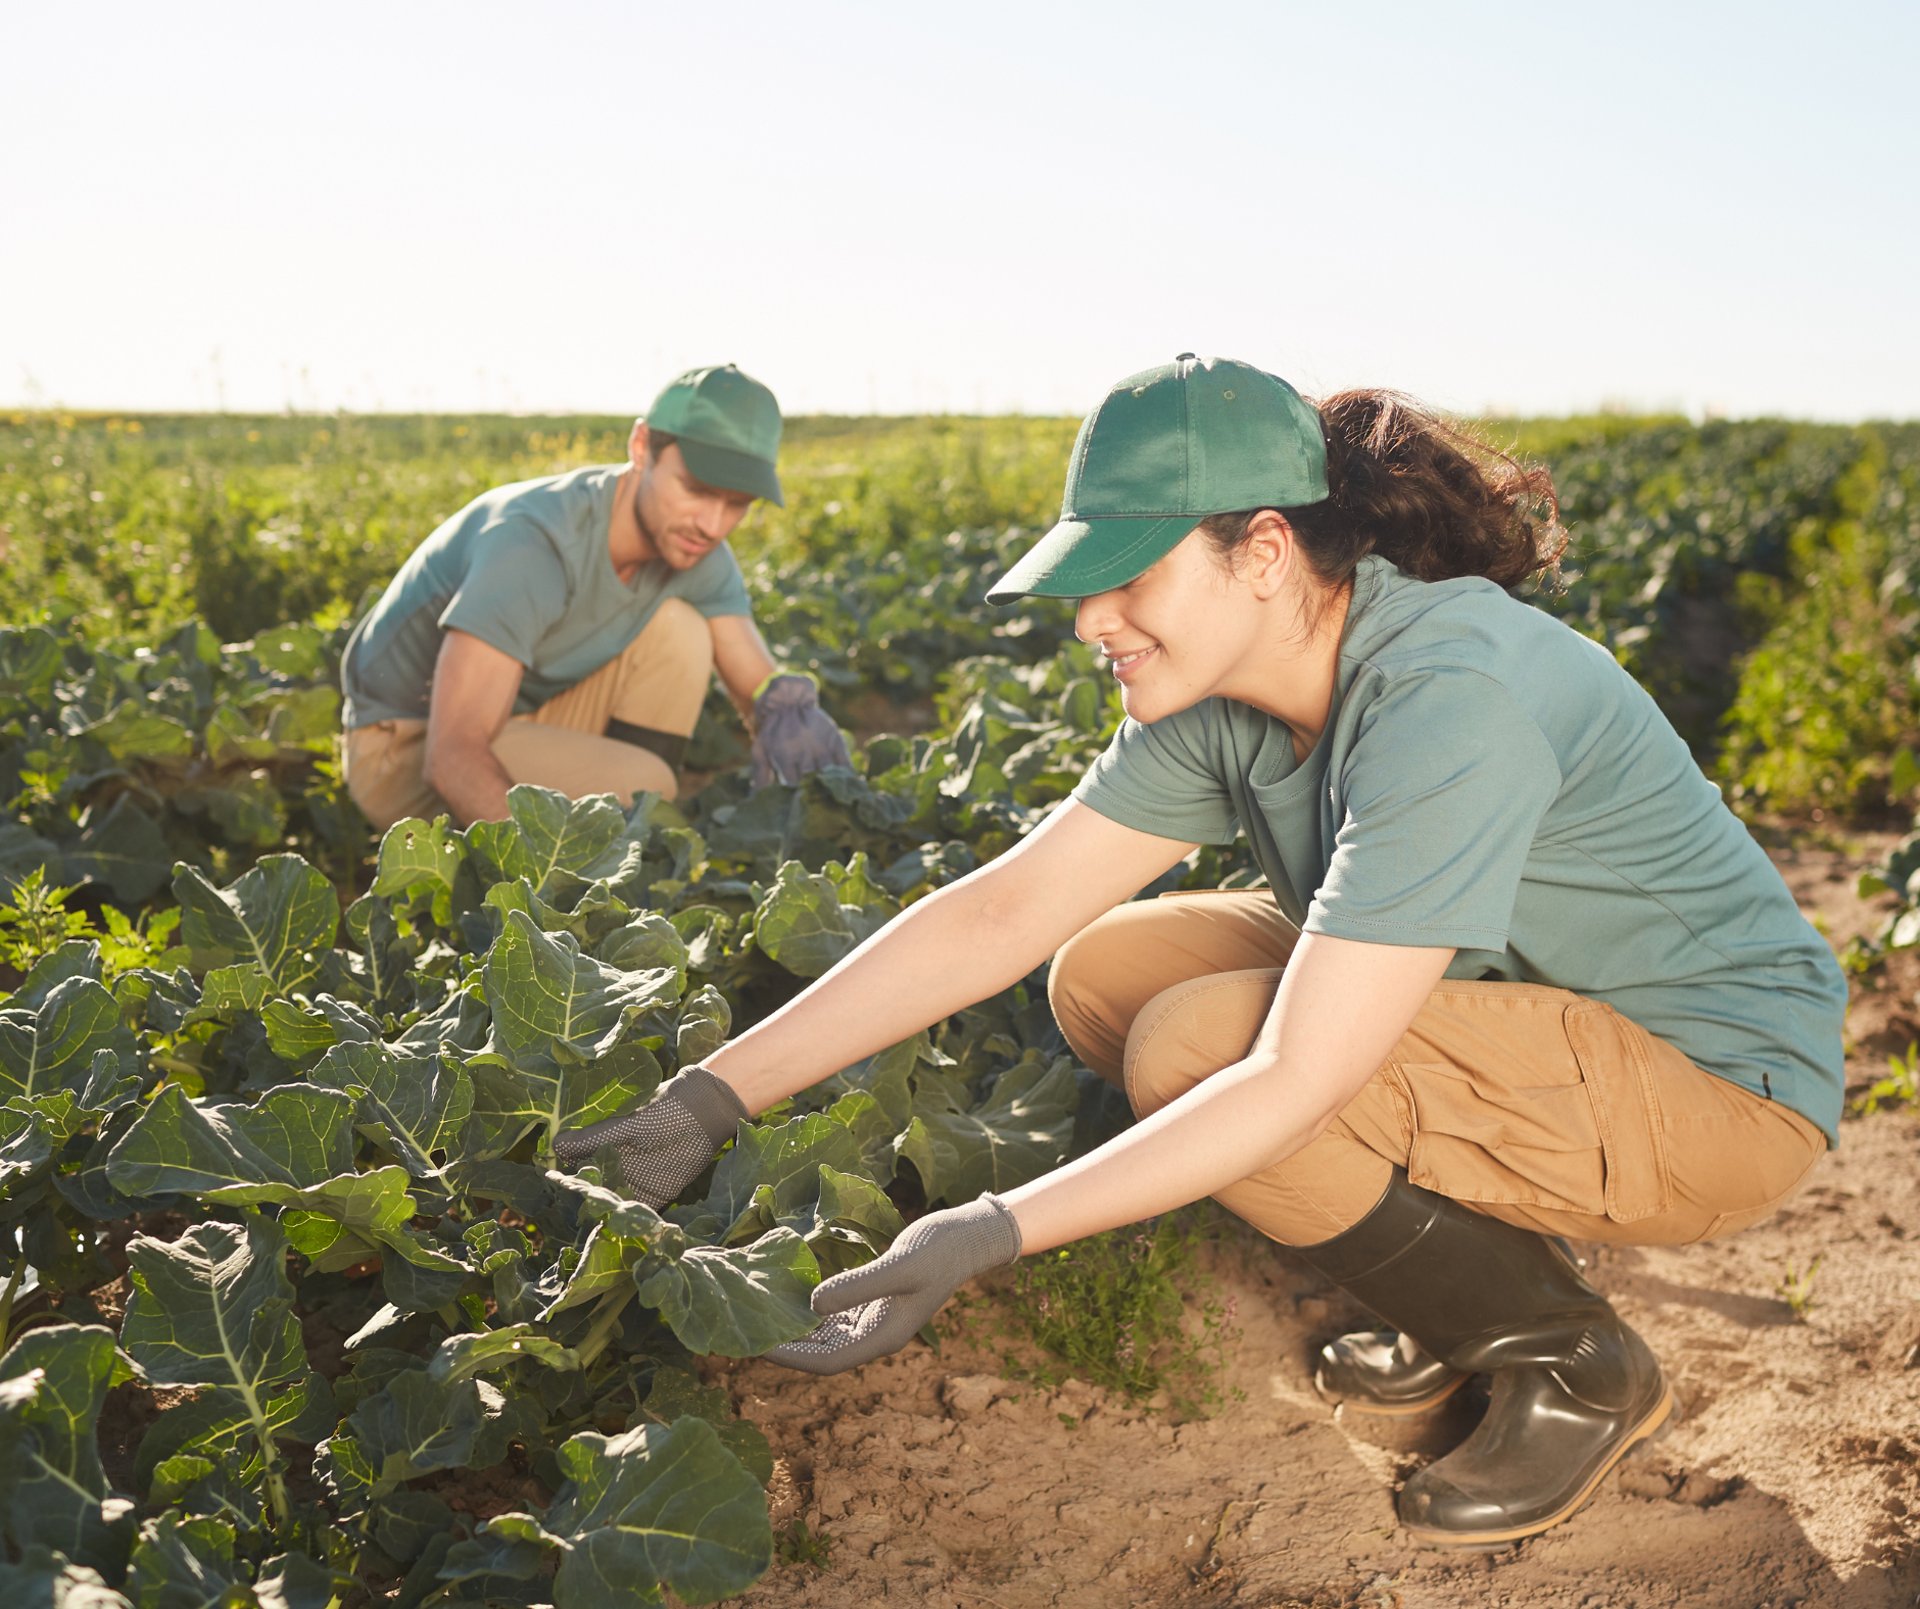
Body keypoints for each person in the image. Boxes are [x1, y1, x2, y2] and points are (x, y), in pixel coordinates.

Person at [554, 355, 1845, 1545]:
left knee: (1199, 1048)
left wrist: (988, 1231)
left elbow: (1291, 1076)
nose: (1092, 621)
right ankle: (1478, 1294)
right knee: (1105, 976)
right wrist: (705, 1101)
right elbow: (1004, 913)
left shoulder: (1448, 699)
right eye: (1085, 582)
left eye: (1132, 577)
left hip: (1721, 1084)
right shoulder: (1225, 693)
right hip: (1532, 1007)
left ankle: (1571, 1357)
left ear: (1266, 552)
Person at [338, 363, 849, 828]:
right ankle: (616, 830)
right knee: (646, 784)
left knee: (683, 629)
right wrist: (537, 882)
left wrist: (794, 725)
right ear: (642, 447)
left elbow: (758, 686)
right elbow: (450, 757)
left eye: (738, 504)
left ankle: (624, 829)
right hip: (404, 748)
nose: (712, 524)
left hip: (512, 719)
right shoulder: (535, 543)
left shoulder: (697, 552)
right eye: (695, 489)